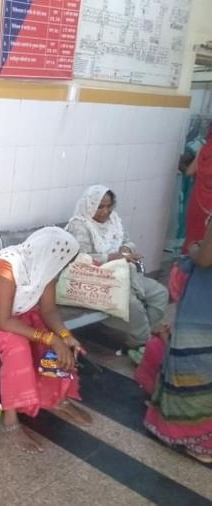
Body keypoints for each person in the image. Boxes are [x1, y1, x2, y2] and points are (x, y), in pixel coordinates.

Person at [0, 227, 91, 453]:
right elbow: (3, 322)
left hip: (13, 312)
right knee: (17, 345)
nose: (64, 266)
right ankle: (11, 419)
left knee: (48, 335)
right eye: (64, 261)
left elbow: (48, 311)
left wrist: (66, 337)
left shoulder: (46, 266)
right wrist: (51, 339)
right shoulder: (7, 268)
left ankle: (56, 398)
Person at [143, 218, 212, 463]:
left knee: (195, 366)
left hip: (204, 306)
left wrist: (194, 248)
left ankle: (199, 439)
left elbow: (205, 259)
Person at [66, 185, 169, 348]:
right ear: (89, 205)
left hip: (123, 275)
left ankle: (142, 334)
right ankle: (141, 343)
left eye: (109, 206)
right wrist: (114, 257)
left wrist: (125, 251)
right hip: (93, 280)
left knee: (160, 294)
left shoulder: (113, 220)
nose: (105, 211)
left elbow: (128, 241)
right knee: (132, 304)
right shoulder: (80, 225)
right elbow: (80, 258)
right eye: (100, 207)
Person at [183, 131, 212, 254]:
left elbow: (189, 171)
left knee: (193, 235)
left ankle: (187, 260)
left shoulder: (204, 149)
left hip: (197, 200)